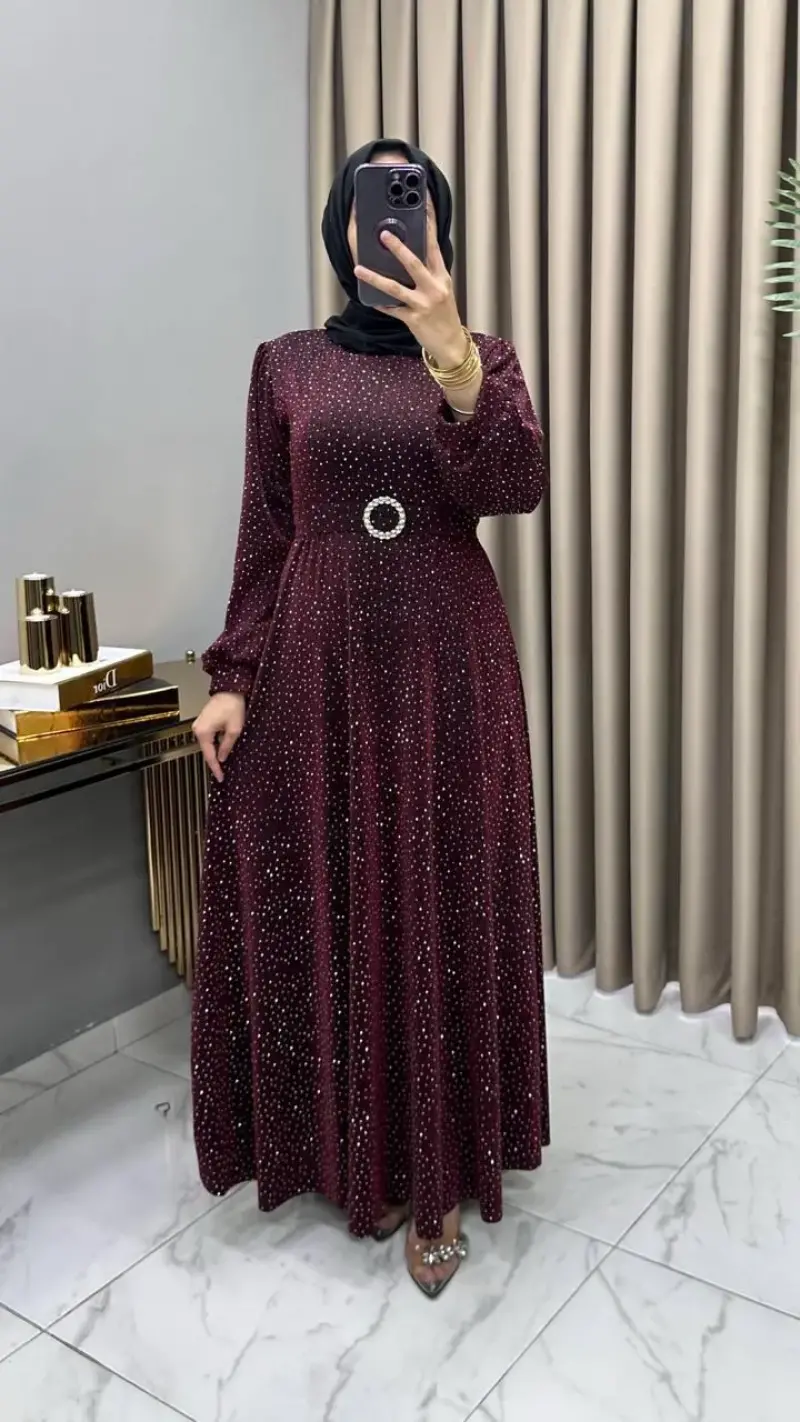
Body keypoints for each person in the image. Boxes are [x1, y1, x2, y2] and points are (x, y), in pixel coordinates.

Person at [191, 138, 549, 1300]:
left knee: (440, 896)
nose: (388, 220)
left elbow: (512, 486)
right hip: (318, 659)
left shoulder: (482, 357)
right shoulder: (284, 365)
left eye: (411, 201)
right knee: (339, 889)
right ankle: (361, 1151)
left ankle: (435, 1175)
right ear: (341, 227)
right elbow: (266, 529)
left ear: (436, 225)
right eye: (369, 200)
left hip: (446, 659)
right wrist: (233, 674)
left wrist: (451, 354)